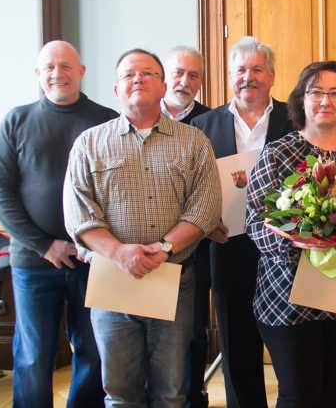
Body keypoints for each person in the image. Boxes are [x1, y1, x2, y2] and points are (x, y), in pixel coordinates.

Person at [63, 48, 222, 407]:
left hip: (173, 278)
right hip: (111, 280)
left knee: (171, 391)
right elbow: (78, 215)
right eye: (129, 75)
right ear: (116, 89)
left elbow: (205, 208)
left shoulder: (194, 141)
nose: (138, 79)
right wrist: (121, 253)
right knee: (120, 392)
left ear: (164, 86)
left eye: (148, 73)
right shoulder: (89, 144)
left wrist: (162, 248)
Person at [246, 61, 336, 408]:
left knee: (330, 387)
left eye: (335, 93)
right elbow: (256, 220)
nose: (326, 100)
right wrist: (298, 243)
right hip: (287, 294)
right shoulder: (278, 153)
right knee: (298, 393)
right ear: (301, 99)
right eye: (316, 92)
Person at [0, 40, 117, 408]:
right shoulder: (17, 120)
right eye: (49, 67)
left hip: (93, 261)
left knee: (93, 350)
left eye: (65, 66)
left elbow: (118, 190)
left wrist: (94, 242)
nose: (57, 74)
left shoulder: (106, 120)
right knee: (33, 354)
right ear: (38, 74)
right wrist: (46, 245)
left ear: (81, 71)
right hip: (33, 262)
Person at [189, 36, 293, 408]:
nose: (248, 77)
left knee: (290, 349)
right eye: (240, 70)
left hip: (284, 252)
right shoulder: (202, 126)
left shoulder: (294, 119)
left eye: (257, 69)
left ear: (272, 76)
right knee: (236, 344)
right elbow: (190, 185)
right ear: (229, 76)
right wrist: (204, 220)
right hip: (226, 247)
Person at [161, 45, 212, 408]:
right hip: (146, 246)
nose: (185, 81)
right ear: (164, 75)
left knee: (192, 330)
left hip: (200, 246)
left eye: (194, 75)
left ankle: (195, 396)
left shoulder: (212, 122)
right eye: (179, 73)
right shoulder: (136, 117)